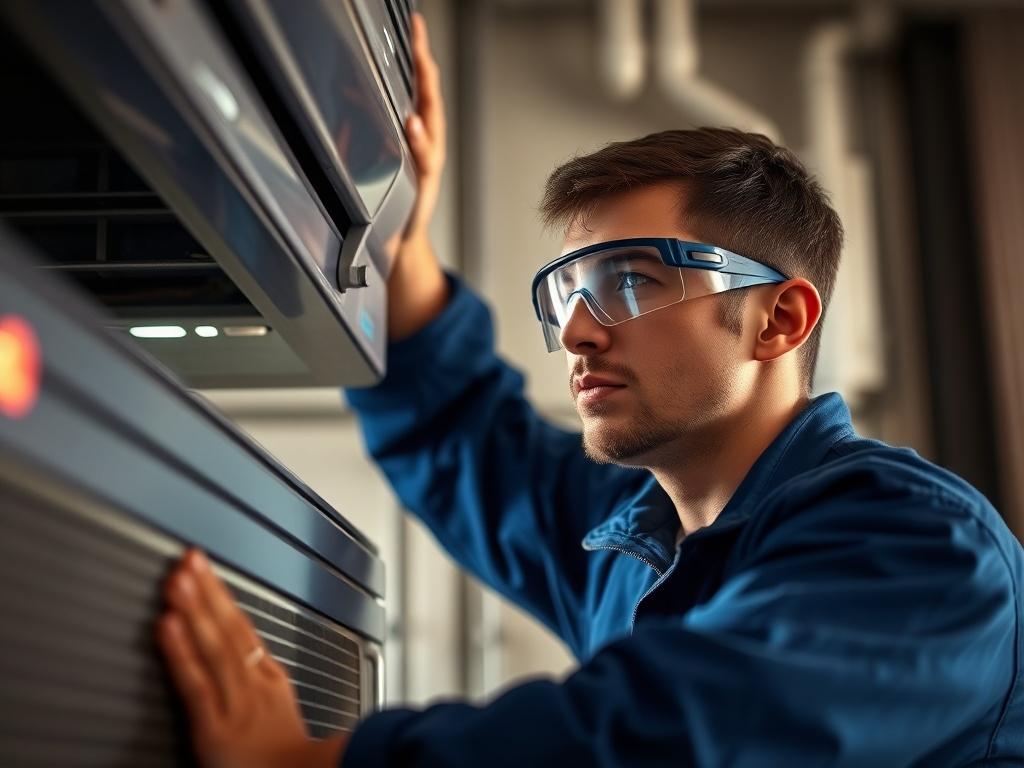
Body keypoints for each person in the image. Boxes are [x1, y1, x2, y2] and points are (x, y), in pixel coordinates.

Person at [156, 12, 1024, 768]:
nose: (575, 330)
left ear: (780, 321)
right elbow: (471, 447)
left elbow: (677, 737)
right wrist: (396, 242)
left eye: (633, 282)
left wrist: (315, 764)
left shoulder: (916, 539)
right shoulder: (632, 540)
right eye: (565, 293)